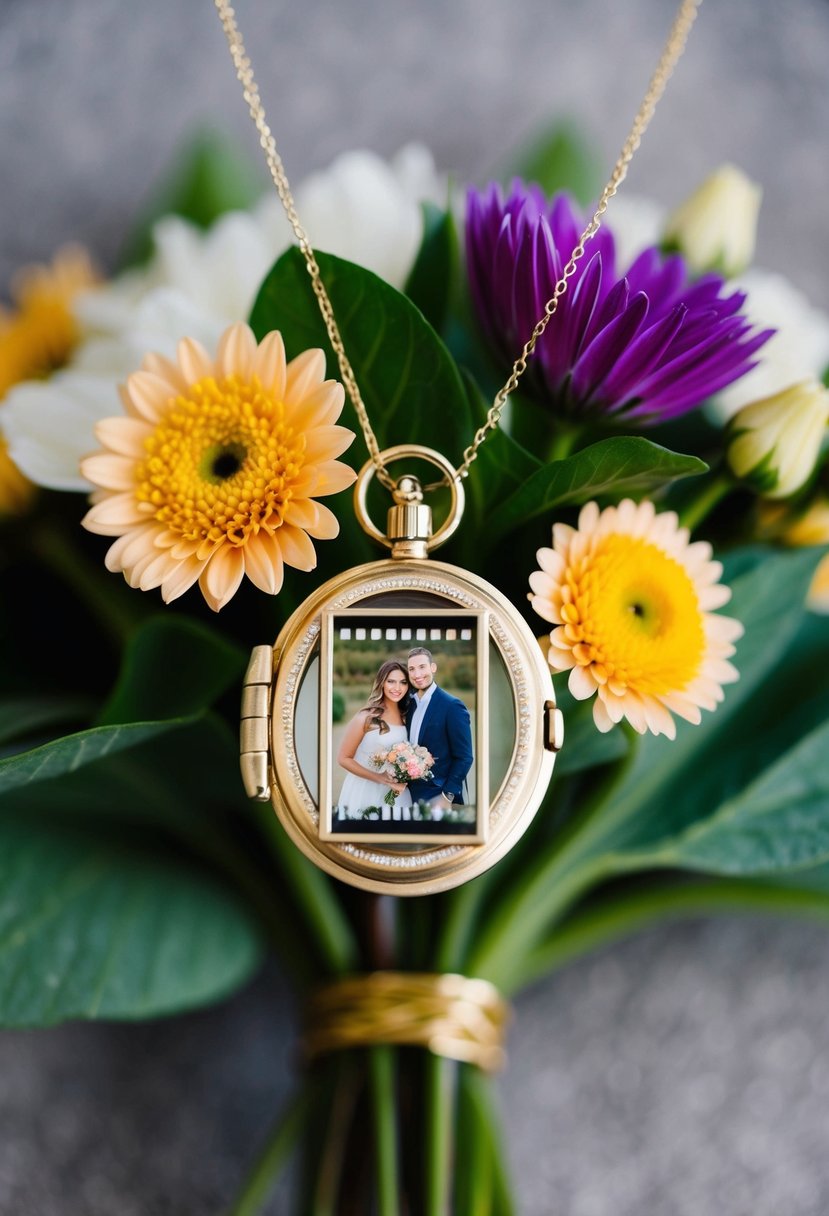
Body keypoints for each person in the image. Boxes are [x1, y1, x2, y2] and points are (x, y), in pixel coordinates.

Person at [335, 660, 413, 821]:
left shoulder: (408, 717)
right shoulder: (366, 717)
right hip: (365, 789)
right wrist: (379, 778)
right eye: (391, 681)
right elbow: (343, 758)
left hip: (397, 792)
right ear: (382, 683)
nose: (397, 688)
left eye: (403, 682)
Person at [405, 647, 473, 816]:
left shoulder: (452, 706)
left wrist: (447, 796)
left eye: (422, 667)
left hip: (438, 794)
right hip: (409, 794)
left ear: (433, 667)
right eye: (412, 669)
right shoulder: (410, 704)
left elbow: (465, 757)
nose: (417, 674)